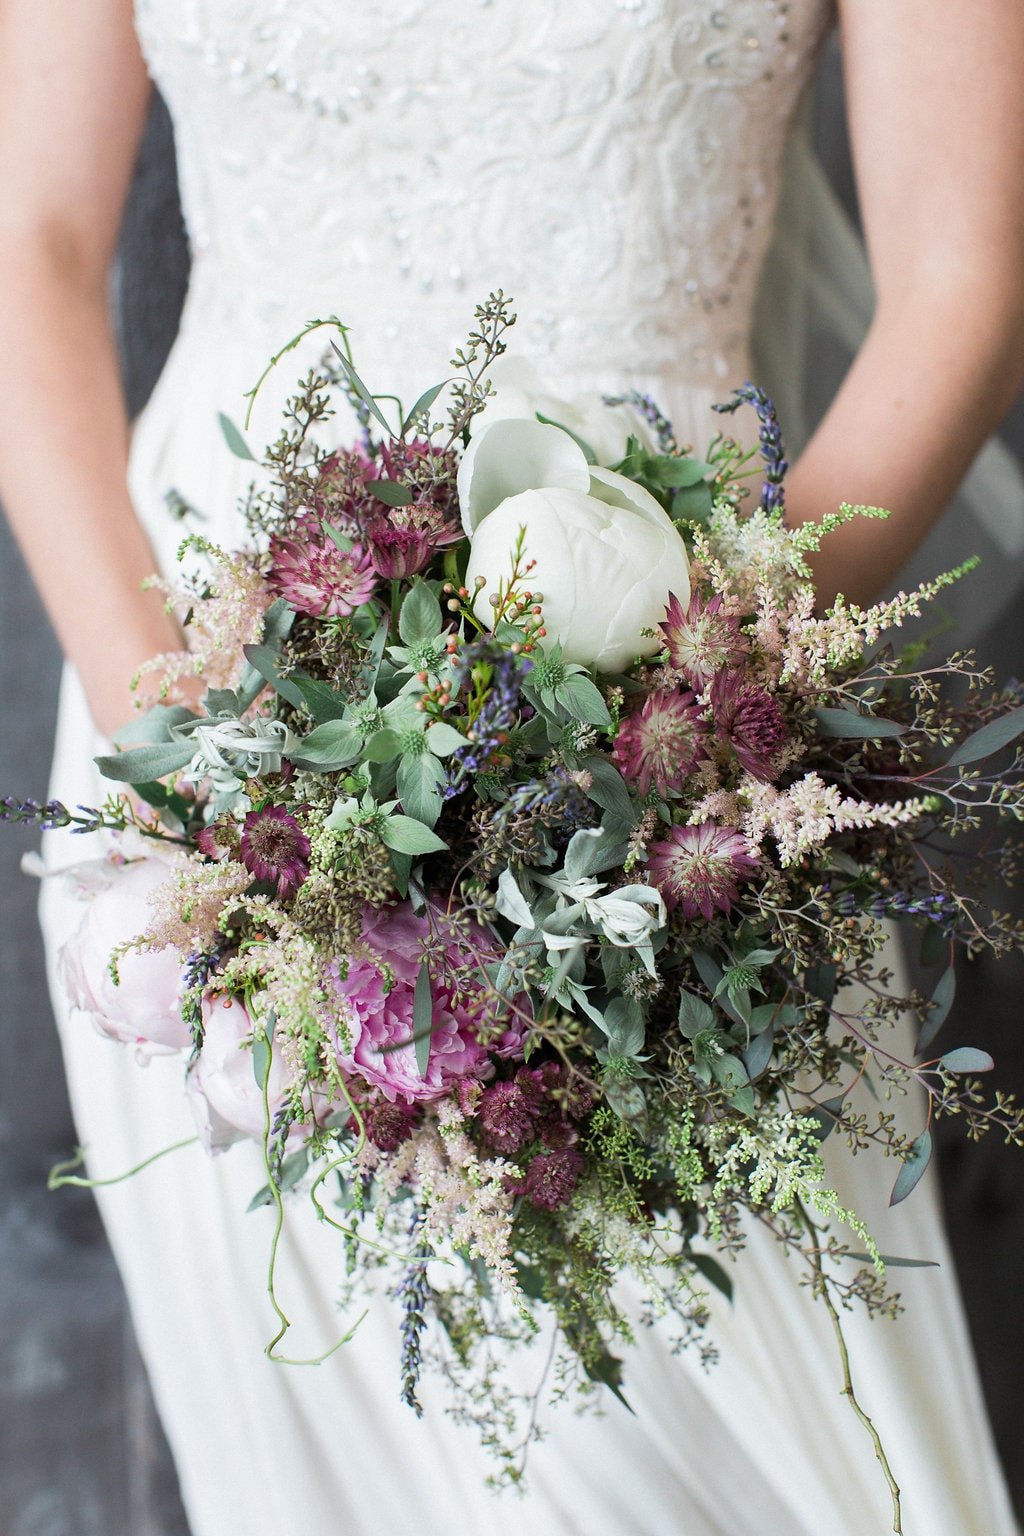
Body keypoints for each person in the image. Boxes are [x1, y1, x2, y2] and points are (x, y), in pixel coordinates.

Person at [0, 2, 1022, 1532]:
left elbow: (965, 285)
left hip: (685, 753)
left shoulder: (695, 749)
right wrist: (193, 765)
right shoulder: (193, 758)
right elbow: (35, 240)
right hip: (197, 696)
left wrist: (702, 712)